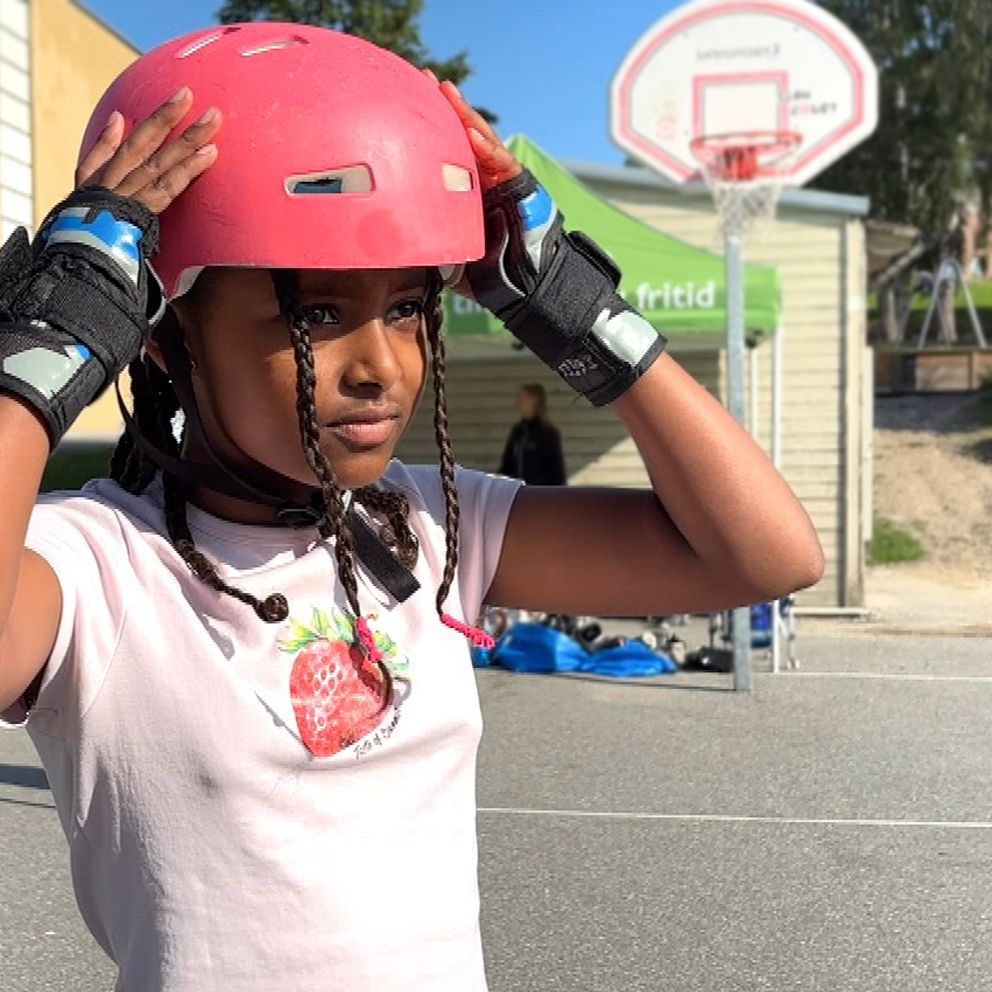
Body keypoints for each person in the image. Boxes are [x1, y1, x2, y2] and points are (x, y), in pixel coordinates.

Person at [0, 22, 823, 992]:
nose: (381, 367)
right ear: (161, 335)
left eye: (404, 309)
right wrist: (47, 344)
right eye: (314, 315)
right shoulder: (98, 564)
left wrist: (575, 308)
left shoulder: (430, 522)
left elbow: (763, 554)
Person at [499, 382, 567, 484]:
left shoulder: (548, 433)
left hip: (538, 491)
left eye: (522, 398)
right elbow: (507, 465)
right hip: (516, 490)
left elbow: (557, 472)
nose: (517, 402)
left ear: (534, 400)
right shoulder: (518, 431)